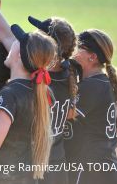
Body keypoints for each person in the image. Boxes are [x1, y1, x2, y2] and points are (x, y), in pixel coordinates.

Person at [0, 24, 57, 183]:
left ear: (20, 55)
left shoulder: (10, 94)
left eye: (17, 41)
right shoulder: (43, 92)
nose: (12, 42)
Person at [65, 29, 117, 184]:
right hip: (106, 168)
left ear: (92, 57)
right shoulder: (102, 82)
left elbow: (64, 114)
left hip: (90, 171)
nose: (74, 50)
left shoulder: (91, 86)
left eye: (79, 47)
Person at [28, 16, 79, 184]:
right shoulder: (69, 75)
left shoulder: (37, 78)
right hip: (58, 166)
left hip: (37, 167)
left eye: (39, 34)